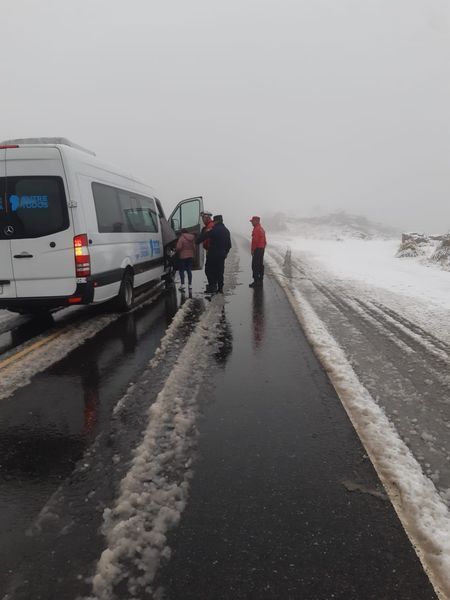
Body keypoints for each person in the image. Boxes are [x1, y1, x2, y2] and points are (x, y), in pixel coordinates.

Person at [196, 214, 231, 294]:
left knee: (209, 270)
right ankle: (220, 288)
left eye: (214, 221)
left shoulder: (214, 229)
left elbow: (205, 236)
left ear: (216, 221)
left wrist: (197, 241)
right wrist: (225, 253)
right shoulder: (226, 231)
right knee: (220, 271)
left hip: (212, 254)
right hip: (222, 255)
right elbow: (229, 245)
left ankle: (212, 287)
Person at [176, 228, 196, 292]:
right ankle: (190, 285)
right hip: (190, 256)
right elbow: (194, 247)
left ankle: (182, 285)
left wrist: (176, 250)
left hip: (183, 256)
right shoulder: (192, 238)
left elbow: (179, 247)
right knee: (189, 270)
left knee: (181, 270)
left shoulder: (181, 238)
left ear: (182, 232)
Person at [249, 216, 266, 287]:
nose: (251, 223)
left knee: (255, 265)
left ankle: (256, 281)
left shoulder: (257, 229)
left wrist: (253, 250)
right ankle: (260, 279)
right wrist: (263, 248)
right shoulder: (261, 229)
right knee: (260, 264)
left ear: (256, 221)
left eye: (252, 221)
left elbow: (255, 241)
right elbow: (265, 241)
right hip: (261, 249)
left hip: (257, 249)